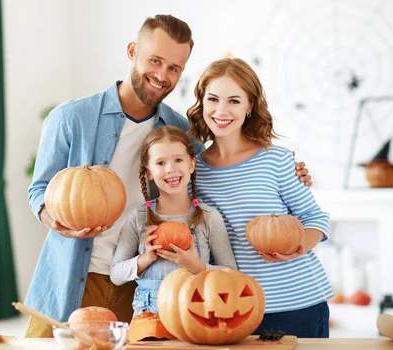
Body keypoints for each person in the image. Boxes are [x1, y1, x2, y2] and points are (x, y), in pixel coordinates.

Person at [24, 15, 311, 338]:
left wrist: (289, 169)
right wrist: (58, 220)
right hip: (71, 275)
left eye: (174, 68)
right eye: (155, 60)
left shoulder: (182, 131)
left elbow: (225, 161)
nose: (162, 75)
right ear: (132, 51)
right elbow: (40, 191)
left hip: (142, 286)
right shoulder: (70, 118)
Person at [187, 57, 333, 338]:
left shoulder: (275, 160)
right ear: (202, 102)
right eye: (213, 99)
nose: (221, 110)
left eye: (234, 101)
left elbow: (316, 218)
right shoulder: (193, 170)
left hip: (298, 304)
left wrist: (295, 247)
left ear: (250, 106)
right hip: (232, 308)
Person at [110, 126, 237, 317]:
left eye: (178, 160)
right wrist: (146, 258)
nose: (171, 169)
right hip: (149, 320)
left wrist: (197, 267)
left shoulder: (208, 217)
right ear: (149, 172)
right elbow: (116, 275)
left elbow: (232, 275)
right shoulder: (139, 217)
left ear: (191, 165)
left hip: (196, 317)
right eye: (160, 163)